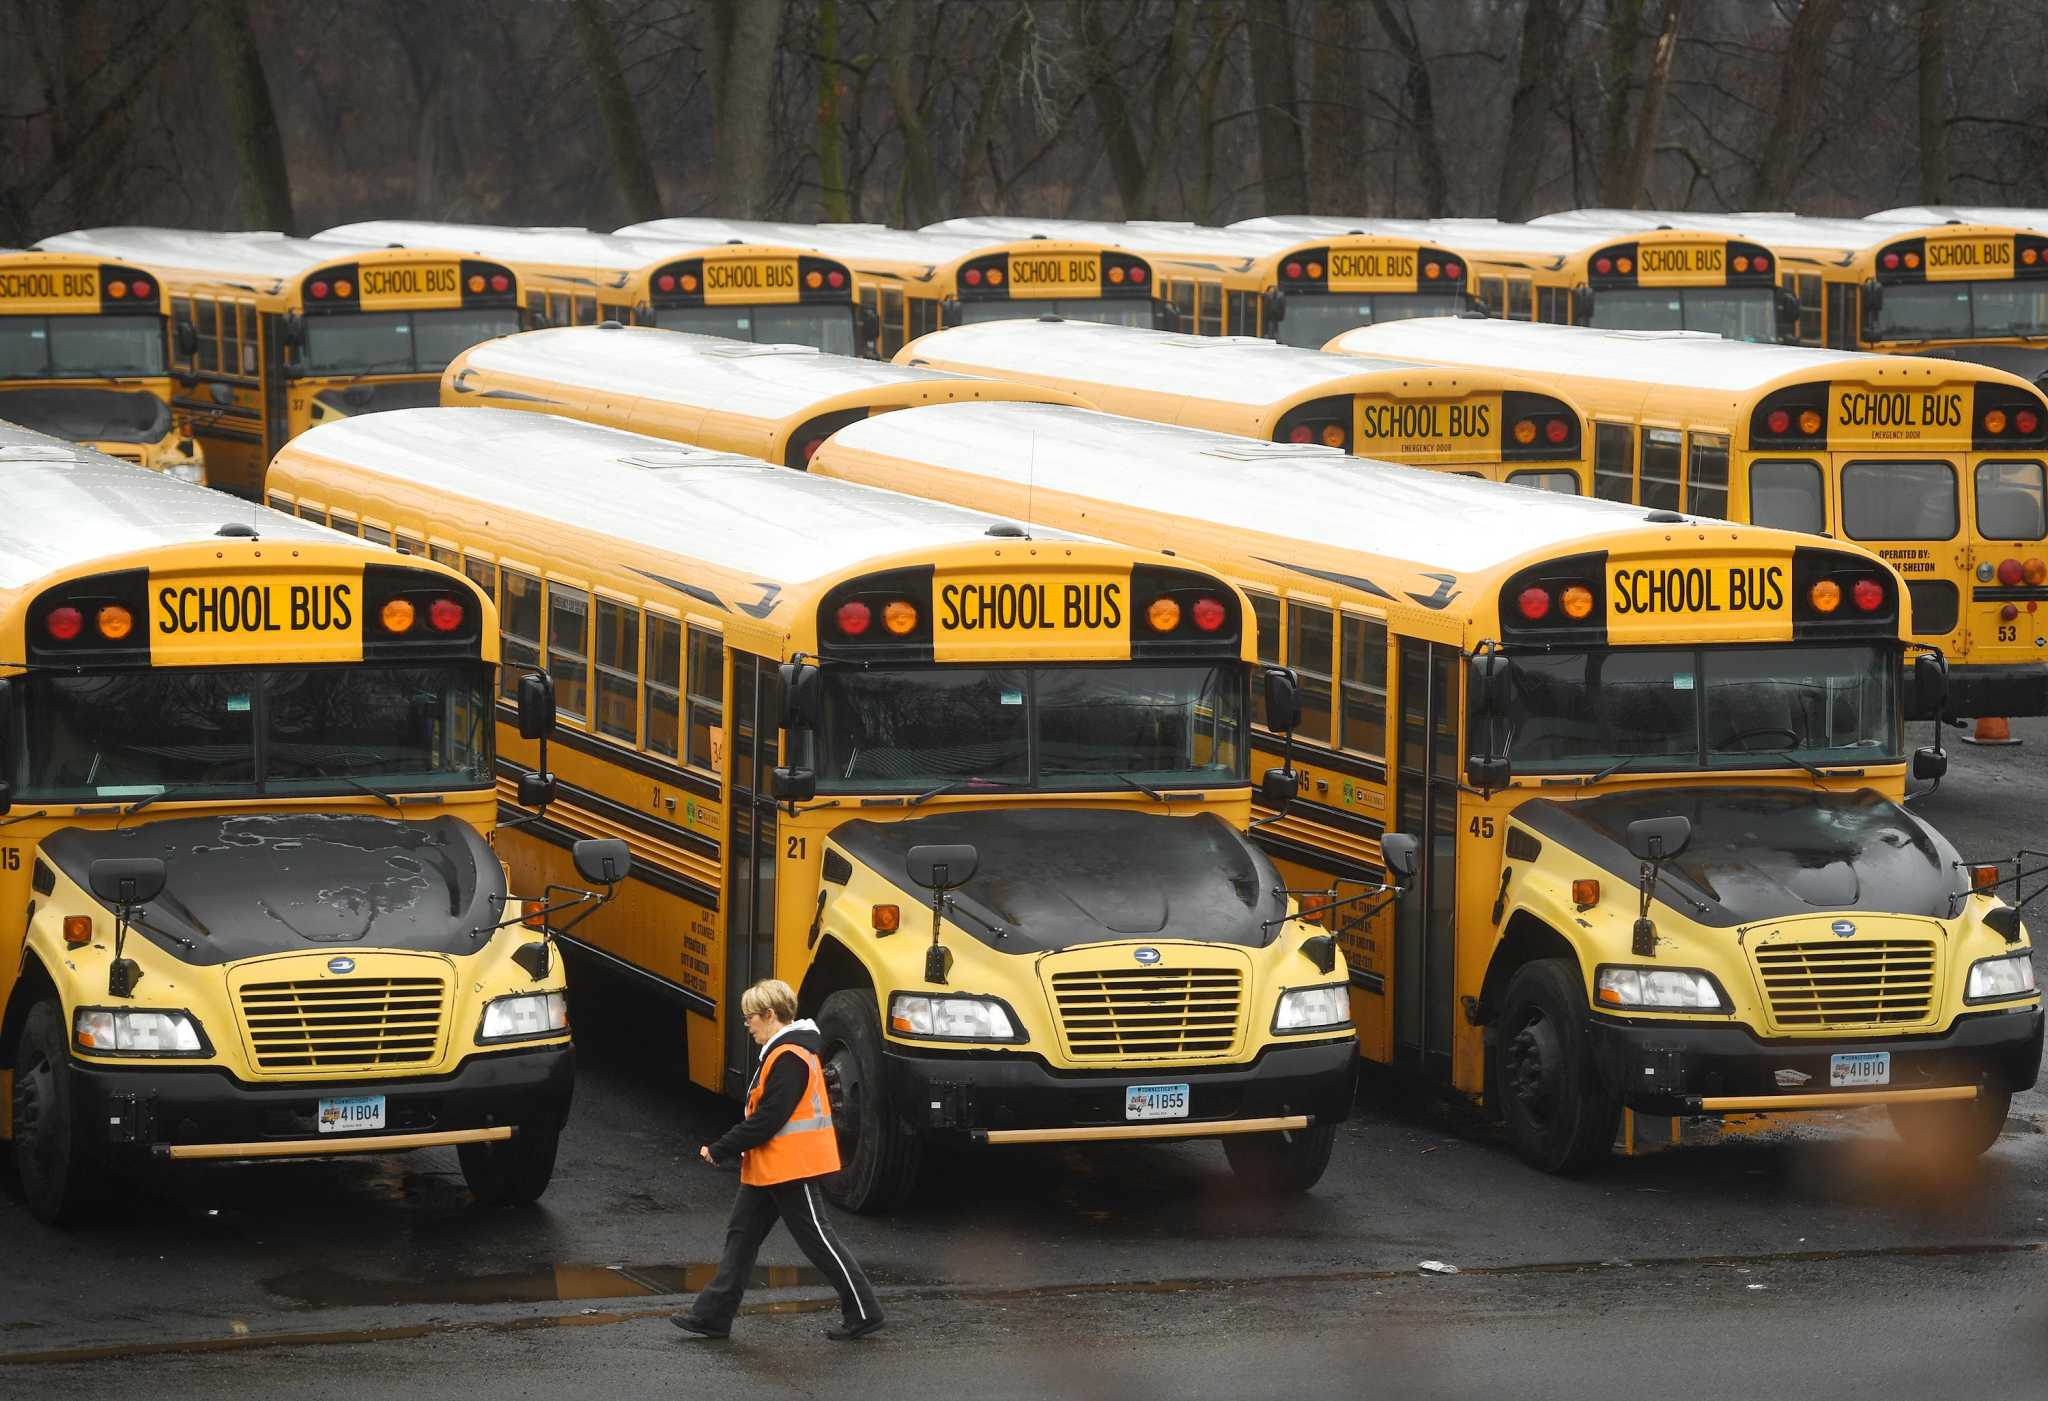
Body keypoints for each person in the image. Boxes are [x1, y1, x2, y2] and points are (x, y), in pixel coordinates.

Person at [673, 978, 884, 1341]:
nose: (747, 1024)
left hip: (791, 1166)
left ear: (770, 1014)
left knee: (818, 1241)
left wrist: (721, 1147)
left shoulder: (789, 1057)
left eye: (750, 1017)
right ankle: (713, 1316)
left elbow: (769, 1117)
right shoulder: (784, 1052)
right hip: (770, 1166)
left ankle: (865, 1312)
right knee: (741, 1238)